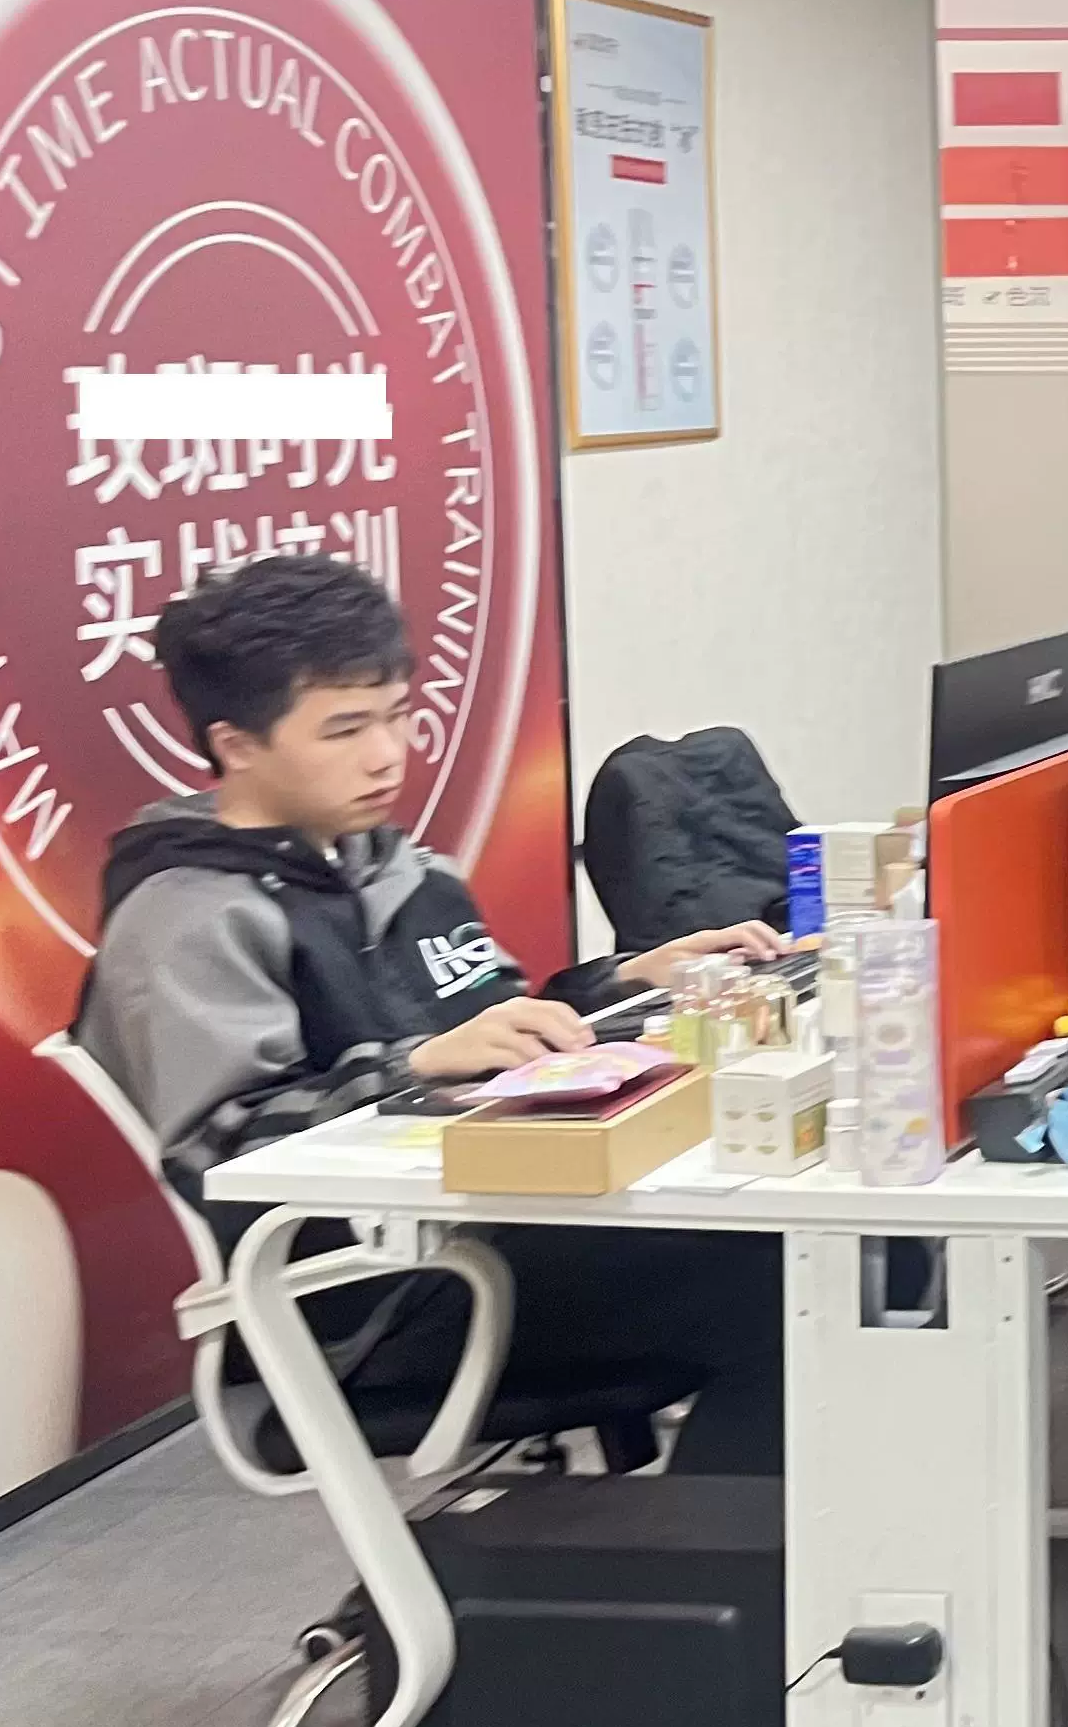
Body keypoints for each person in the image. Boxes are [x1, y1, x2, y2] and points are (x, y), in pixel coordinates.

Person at [73, 554, 796, 1474]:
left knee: (804, 1238)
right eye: (344, 729)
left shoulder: (399, 869)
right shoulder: (188, 919)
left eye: (398, 714)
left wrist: (626, 981)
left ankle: (750, 1540)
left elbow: (492, 1029)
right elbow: (231, 1149)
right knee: (784, 1272)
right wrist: (413, 1065)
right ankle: (740, 1552)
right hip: (375, 1301)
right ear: (237, 744)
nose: (387, 753)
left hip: (500, 1221)